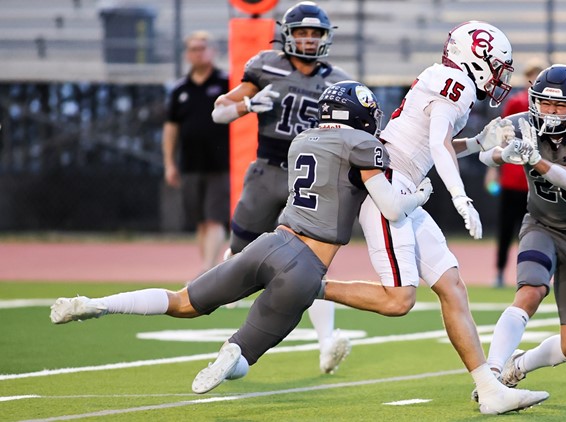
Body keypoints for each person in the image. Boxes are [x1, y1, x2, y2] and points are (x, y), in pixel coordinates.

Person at [50, 81, 434, 395]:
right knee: (245, 356)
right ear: (360, 114)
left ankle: (99, 304)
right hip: (306, 266)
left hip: (269, 243)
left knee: (182, 302)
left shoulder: (303, 140)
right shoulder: (363, 145)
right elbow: (391, 208)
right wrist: (420, 194)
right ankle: (231, 353)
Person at [319, 21, 549, 414]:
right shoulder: (452, 82)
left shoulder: (448, 82)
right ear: (475, 58)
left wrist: (477, 143)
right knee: (399, 301)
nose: (498, 77)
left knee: (453, 285)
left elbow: (433, 144)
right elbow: (437, 145)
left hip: (403, 181)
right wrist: (461, 197)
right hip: (389, 186)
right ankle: (311, 287)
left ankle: (490, 391)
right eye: (496, 66)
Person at [210, 1, 353, 372]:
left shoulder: (338, 80)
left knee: (311, 263)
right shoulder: (265, 66)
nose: (307, 39)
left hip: (310, 178)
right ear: (287, 35)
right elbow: (219, 111)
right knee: (240, 253)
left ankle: (326, 343)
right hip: (268, 170)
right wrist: (247, 105)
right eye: (302, 32)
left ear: (325, 38)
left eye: (315, 33)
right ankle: (213, 295)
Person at [473, 64, 566, 395]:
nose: (551, 111)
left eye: (561, 105)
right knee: (531, 290)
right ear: (533, 100)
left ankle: (518, 366)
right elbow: (481, 152)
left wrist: (533, 157)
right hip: (541, 224)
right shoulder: (520, 123)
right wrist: (501, 153)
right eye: (546, 103)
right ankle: (491, 374)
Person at [162, 30, 230, 273]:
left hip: (222, 163)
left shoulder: (226, 84)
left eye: (202, 48)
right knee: (201, 222)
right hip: (191, 164)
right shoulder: (179, 89)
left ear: (213, 51)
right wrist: (169, 163)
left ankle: (207, 270)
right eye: (193, 49)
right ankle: (210, 270)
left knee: (215, 217)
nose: (198, 53)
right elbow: (171, 129)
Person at [484, 62, 544, 287]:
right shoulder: (517, 102)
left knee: (536, 231)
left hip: (536, 178)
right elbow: (502, 136)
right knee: (507, 228)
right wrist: (492, 168)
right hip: (514, 176)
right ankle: (500, 272)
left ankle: (532, 273)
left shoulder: (548, 107)